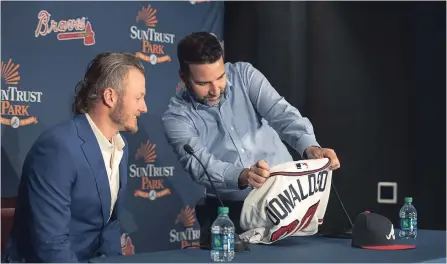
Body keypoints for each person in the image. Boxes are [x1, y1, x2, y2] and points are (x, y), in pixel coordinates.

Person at [162, 32, 341, 248]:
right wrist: (243, 176)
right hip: (232, 215)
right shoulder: (176, 116)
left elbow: (281, 114)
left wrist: (309, 147)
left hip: (288, 200)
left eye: (220, 77)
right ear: (183, 77)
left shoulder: (245, 75)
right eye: (203, 83)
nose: (215, 89)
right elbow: (199, 165)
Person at [3, 52, 148, 262]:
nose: (144, 107)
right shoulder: (58, 148)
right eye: (138, 97)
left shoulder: (119, 146)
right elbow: (51, 244)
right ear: (110, 97)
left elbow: (109, 227)